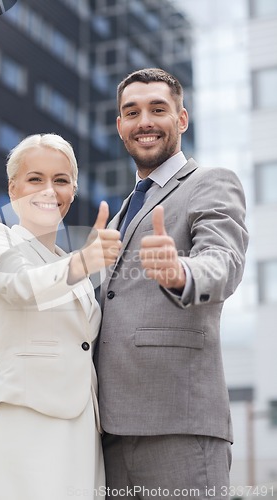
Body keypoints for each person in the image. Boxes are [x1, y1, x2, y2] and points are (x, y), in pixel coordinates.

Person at [94, 68, 249, 499]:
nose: (144, 120)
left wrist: (181, 271)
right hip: (110, 431)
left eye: (157, 109)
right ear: (120, 126)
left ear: (181, 119)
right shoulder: (124, 211)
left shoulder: (210, 183)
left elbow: (223, 262)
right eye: (132, 111)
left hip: (178, 425)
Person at [0, 133, 121, 500]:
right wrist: (83, 263)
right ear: (13, 188)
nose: (48, 190)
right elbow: (20, 286)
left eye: (61, 180)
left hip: (84, 427)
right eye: (35, 178)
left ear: (73, 191)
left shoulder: (70, 262)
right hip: (28, 419)